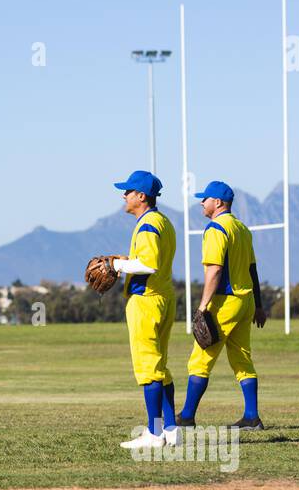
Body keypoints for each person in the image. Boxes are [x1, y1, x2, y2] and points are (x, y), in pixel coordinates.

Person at [177, 180, 268, 430]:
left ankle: (186, 416)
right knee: (242, 358)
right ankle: (251, 416)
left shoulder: (216, 228)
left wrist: (202, 307)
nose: (201, 203)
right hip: (245, 300)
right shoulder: (242, 228)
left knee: (200, 359)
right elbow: (252, 269)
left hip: (224, 301)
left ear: (217, 203)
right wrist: (258, 305)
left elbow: (215, 271)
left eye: (204, 199)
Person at [112, 170, 179, 449]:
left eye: (128, 191)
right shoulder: (163, 221)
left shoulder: (148, 223)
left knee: (148, 368)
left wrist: (117, 266)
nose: (123, 196)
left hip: (146, 301)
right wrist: (129, 261)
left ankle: (154, 434)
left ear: (141, 196)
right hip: (163, 297)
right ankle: (172, 429)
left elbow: (149, 264)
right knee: (160, 366)